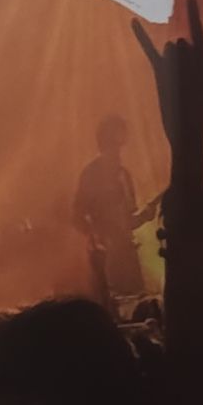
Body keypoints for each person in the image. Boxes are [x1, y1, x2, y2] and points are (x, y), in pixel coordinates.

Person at [74, 114, 148, 304]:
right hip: (105, 259)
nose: (118, 151)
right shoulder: (91, 174)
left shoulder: (124, 176)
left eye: (120, 145)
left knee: (135, 303)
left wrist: (145, 216)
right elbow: (78, 215)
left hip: (127, 256)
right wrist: (97, 239)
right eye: (114, 144)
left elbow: (129, 221)